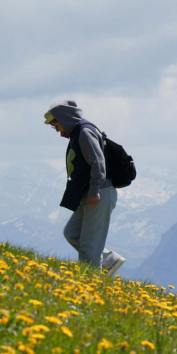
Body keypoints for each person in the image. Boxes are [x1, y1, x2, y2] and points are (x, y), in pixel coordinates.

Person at [44, 100, 125, 276]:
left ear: (63, 118)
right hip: (90, 193)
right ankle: (109, 260)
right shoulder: (79, 132)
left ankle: (90, 283)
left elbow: (98, 162)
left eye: (55, 123)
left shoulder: (84, 132)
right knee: (72, 233)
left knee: (89, 244)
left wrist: (95, 190)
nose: (55, 128)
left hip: (98, 193)